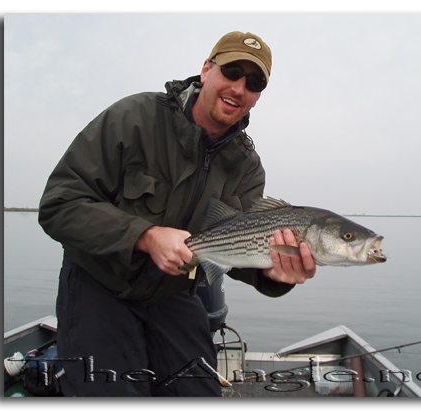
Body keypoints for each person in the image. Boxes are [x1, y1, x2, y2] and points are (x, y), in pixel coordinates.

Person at [38, 31, 316, 397]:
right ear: (206, 70)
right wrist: (146, 236)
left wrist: (276, 274)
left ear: (259, 95)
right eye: (232, 71)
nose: (239, 87)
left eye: (254, 81)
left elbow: (236, 249)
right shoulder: (134, 117)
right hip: (98, 282)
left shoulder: (247, 168)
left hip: (174, 293)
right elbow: (60, 203)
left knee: (199, 395)